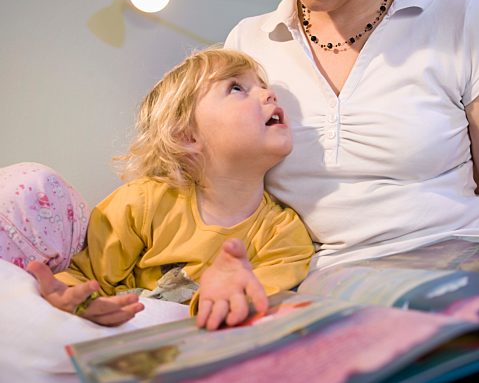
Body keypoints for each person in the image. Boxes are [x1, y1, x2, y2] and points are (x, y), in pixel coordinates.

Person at [223, 0, 479, 380]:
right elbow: (220, 194)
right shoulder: (248, 43)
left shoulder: (462, 14)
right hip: (320, 301)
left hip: (470, 279)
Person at [2, 48, 314, 331]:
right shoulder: (141, 202)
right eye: (237, 88)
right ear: (187, 136)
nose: (268, 94)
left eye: (263, 84)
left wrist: (230, 292)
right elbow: (83, 275)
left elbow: (254, 307)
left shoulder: (285, 235)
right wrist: (76, 300)